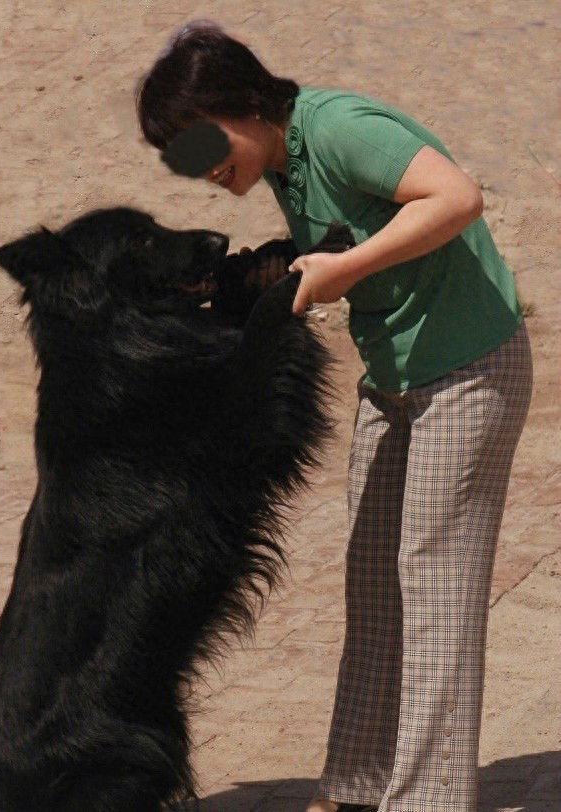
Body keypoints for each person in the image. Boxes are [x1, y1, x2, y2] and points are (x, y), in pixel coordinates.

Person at [136, 22, 532, 812]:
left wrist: (345, 267)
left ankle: (427, 801)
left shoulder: (341, 129)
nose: (201, 168)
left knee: (435, 590)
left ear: (244, 105)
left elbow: (456, 197)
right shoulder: (282, 160)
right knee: (374, 582)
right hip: (395, 380)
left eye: (201, 143)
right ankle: (355, 786)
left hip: (469, 372)